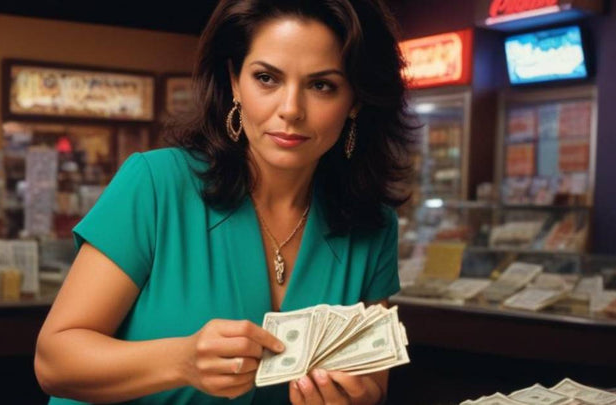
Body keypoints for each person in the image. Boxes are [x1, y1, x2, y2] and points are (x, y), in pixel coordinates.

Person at [35, 0, 414, 403]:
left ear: (355, 99)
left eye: (322, 85)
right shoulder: (155, 184)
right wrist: (180, 360)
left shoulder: (373, 226)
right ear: (235, 80)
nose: (290, 110)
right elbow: (55, 362)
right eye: (267, 78)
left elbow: (374, 387)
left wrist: (353, 399)